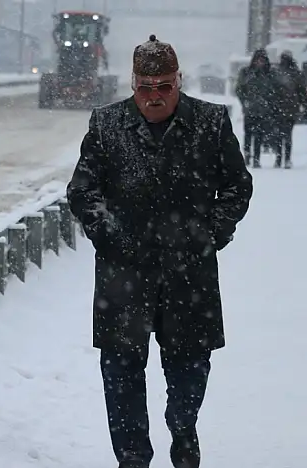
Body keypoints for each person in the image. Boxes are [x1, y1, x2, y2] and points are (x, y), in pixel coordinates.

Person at [66, 35, 253, 468]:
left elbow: (237, 186)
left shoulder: (210, 123)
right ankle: (132, 457)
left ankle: (182, 428)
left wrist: (210, 234)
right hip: (123, 273)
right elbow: (82, 190)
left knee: (190, 369)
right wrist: (108, 234)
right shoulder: (107, 125)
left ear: (178, 82)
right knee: (121, 373)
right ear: (133, 84)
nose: (154, 96)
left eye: (164, 86)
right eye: (145, 87)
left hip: (189, 272)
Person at [235, 48, 280, 168]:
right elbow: (239, 89)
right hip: (250, 109)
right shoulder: (246, 72)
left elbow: (275, 90)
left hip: (263, 110)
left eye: (262, 60)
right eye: (258, 60)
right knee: (248, 134)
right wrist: (245, 101)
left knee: (259, 135)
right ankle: (247, 156)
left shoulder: (269, 74)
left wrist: (269, 102)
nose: (260, 63)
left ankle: (256, 158)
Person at [271, 50, 307, 169]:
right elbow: (302, 93)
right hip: (290, 107)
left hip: (280, 108)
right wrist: (306, 107)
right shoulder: (296, 74)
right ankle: (285, 159)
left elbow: (301, 92)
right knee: (287, 134)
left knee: (280, 134)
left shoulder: (276, 73)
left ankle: (279, 158)